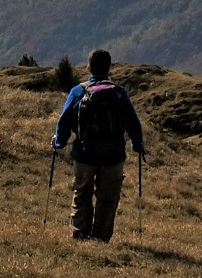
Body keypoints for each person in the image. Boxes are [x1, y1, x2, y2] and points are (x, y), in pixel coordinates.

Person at [52, 49, 144, 242]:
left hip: (84, 155)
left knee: (82, 193)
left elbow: (64, 120)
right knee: (108, 198)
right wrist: (137, 144)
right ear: (109, 67)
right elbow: (133, 122)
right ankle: (101, 238)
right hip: (114, 157)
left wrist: (59, 142)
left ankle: (80, 234)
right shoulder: (119, 93)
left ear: (89, 67)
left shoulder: (78, 91)